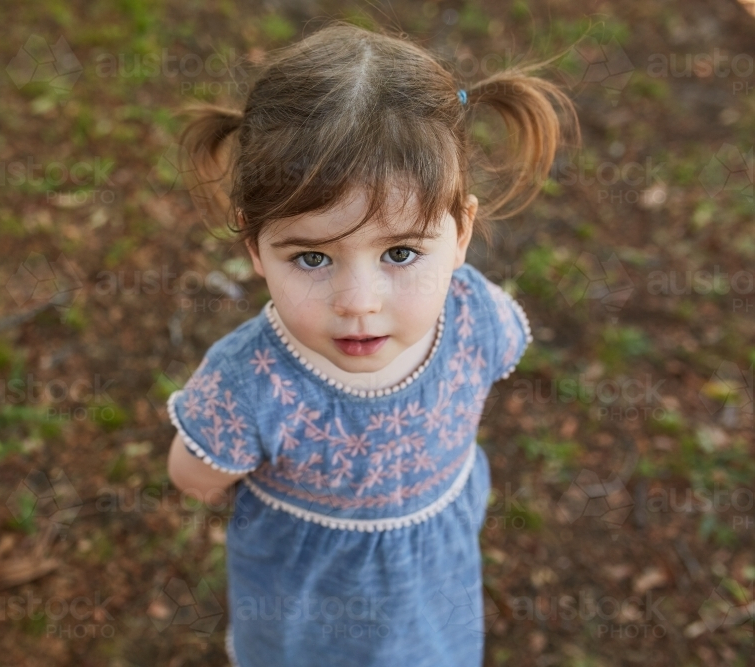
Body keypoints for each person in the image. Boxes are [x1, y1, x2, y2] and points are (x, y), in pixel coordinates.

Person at [164, 20, 580, 667]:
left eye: (401, 251)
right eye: (310, 258)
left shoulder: (476, 314)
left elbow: (199, 484)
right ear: (254, 246)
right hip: (302, 619)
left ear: (461, 229)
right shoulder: (250, 380)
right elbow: (191, 473)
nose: (359, 301)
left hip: (429, 595)